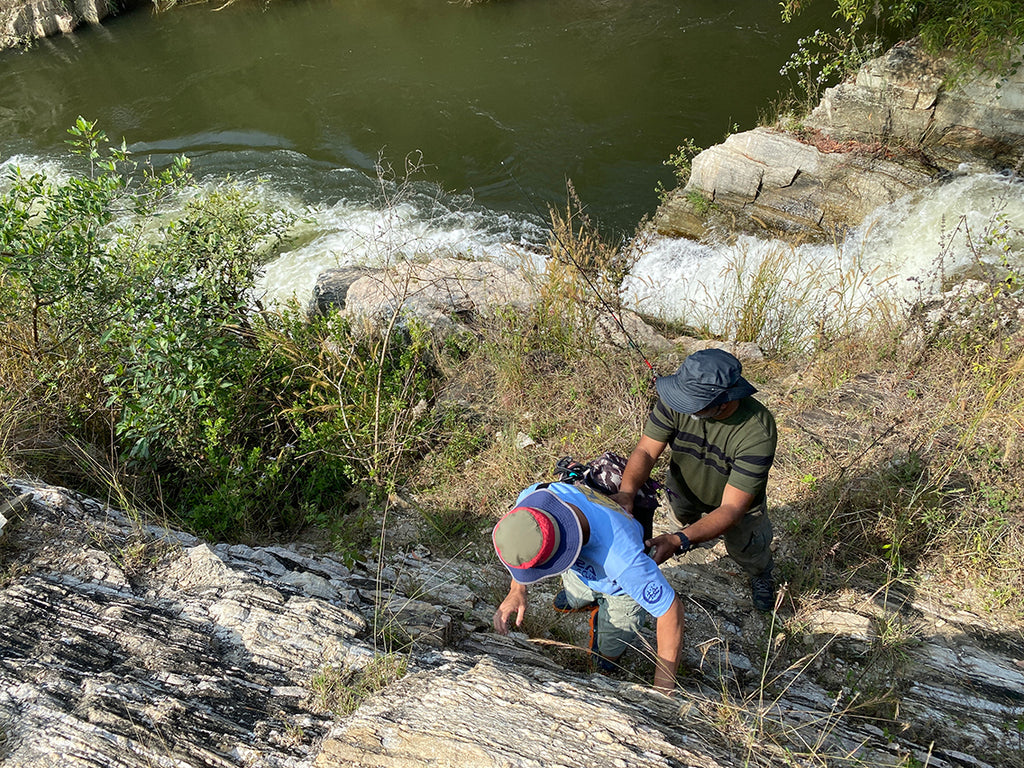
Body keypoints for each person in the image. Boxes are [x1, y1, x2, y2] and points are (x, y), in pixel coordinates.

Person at [611, 348, 778, 612]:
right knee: (679, 519)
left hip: (739, 506)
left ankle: (761, 574)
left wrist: (679, 541)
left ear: (724, 401)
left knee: (747, 548)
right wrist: (627, 492)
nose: (683, 406)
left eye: (693, 403)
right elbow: (645, 450)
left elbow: (732, 509)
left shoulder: (757, 431)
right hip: (683, 489)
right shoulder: (676, 399)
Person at [491, 481, 684, 693]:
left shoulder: (624, 561)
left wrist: (663, 691)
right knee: (573, 597)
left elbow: (670, 609)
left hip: (622, 590)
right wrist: (516, 590)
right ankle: (584, 600)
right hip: (582, 572)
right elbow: (524, 542)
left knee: (609, 651)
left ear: (565, 548)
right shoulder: (534, 500)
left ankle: (606, 657)